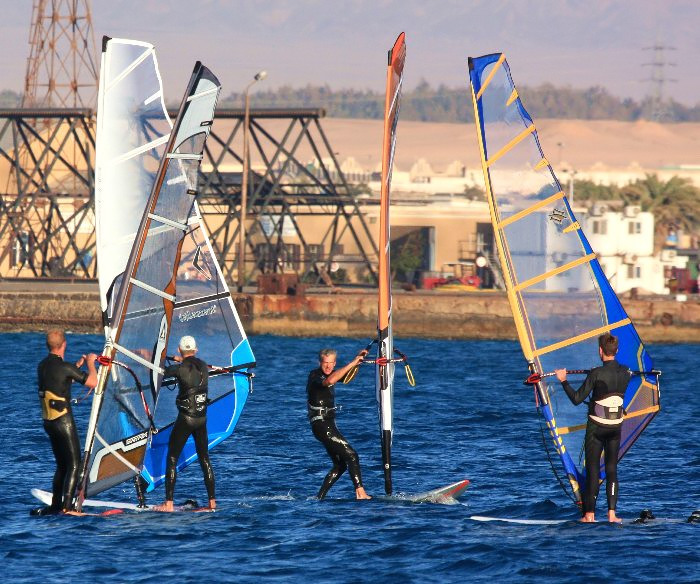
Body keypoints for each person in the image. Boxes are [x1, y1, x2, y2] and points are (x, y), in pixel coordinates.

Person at [555, 333, 630, 523]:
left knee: (594, 470)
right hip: (615, 427)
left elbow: (577, 399)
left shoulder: (596, 373)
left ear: (600, 351)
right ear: (617, 351)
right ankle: (612, 514)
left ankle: (589, 515)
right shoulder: (626, 372)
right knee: (612, 469)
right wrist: (595, 375)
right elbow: (610, 382)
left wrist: (563, 380)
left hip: (597, 428)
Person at [33, 329, 97, 515]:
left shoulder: (42, 366)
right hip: (63, 421)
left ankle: (55, 505)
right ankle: (67, 507)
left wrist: (76, 367)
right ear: (64, 345)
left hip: (49, 423)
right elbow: (93, 382)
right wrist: (91, 364)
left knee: (62, 464)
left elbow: (58, 380)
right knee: (74, 464)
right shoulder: (64, 367)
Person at [154, 336, 215, 512]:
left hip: (186, 419)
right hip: (202, 419)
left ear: (180, 350)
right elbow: (190, 364)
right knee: (205, 458)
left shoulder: (179, 369)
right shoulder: (203, 365)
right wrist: (181, 359)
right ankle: (212, 503)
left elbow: (161, 372)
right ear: (196, 350)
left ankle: (168, 503)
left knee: (172, 457)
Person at [307, 348, 371, 500]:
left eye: (331, 363)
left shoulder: (334, 373)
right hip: (321, 425)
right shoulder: (315, 375)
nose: (328, 367)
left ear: (335, 363)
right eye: (325, 363)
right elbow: (329, 381)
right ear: (319, 363)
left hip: (328, 425)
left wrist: (358, 361)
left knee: (340, 465)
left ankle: (319, 498)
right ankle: (360, 493)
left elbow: (347, 377)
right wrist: (353, 362)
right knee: (352, 455)